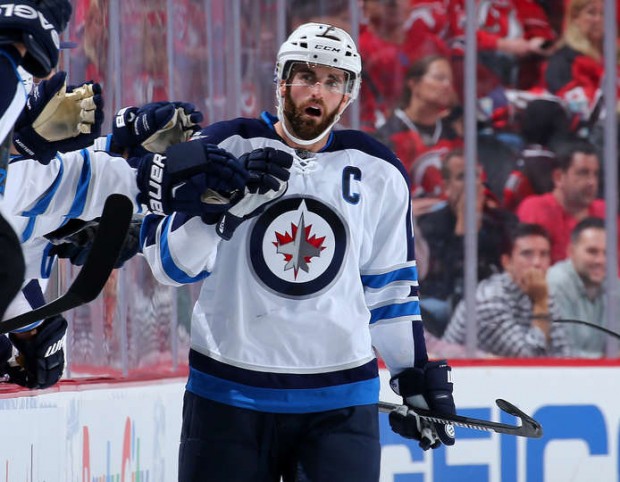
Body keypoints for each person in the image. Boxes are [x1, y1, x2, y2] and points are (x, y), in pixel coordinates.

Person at [140, 23, 458, 481]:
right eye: (306, 75)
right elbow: (171, 266)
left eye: (333, 81)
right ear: (281, 81)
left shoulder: (379, 171)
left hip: (341, 400)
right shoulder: (223, 146)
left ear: (348, 95)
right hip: (227, 393)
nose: (318, 91)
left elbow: (389, 293)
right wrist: (224, 210)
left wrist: (413, 378)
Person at [416, 148, 517, 337]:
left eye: (475, 176)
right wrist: (464, 226)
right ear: (446, 186)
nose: (471, 184)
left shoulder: (502, 222)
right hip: (445, 307)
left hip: (496, 302)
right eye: (462, 177)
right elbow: (443, 282)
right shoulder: (431, 224)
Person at [442, 223, 572, 357]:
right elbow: (528, 359)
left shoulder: (542, 292)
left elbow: (563, 353)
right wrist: (540, 304)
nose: (537, 263)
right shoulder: (489, 300)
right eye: (527, 254)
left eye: (544, 254)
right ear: (506, 262)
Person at [375, 54, 461, 203]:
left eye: (450, 81)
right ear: (414, 83)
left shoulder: (452, 134)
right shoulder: (388, 134)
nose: (447, 86)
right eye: (439, 78)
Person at [516, 138, 607, 264]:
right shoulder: (535, 209)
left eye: (595, 174)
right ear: (558, 177)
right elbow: (530, 269)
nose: (592, 182)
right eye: (583, 173)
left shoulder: (606, 211)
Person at [547, 217, 608, 358]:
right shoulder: (557, 282)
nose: (600, 260)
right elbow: (564, 354)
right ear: (571, 251)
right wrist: (607, 361)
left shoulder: (614, 286)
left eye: (606, 253)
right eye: (592, 252)